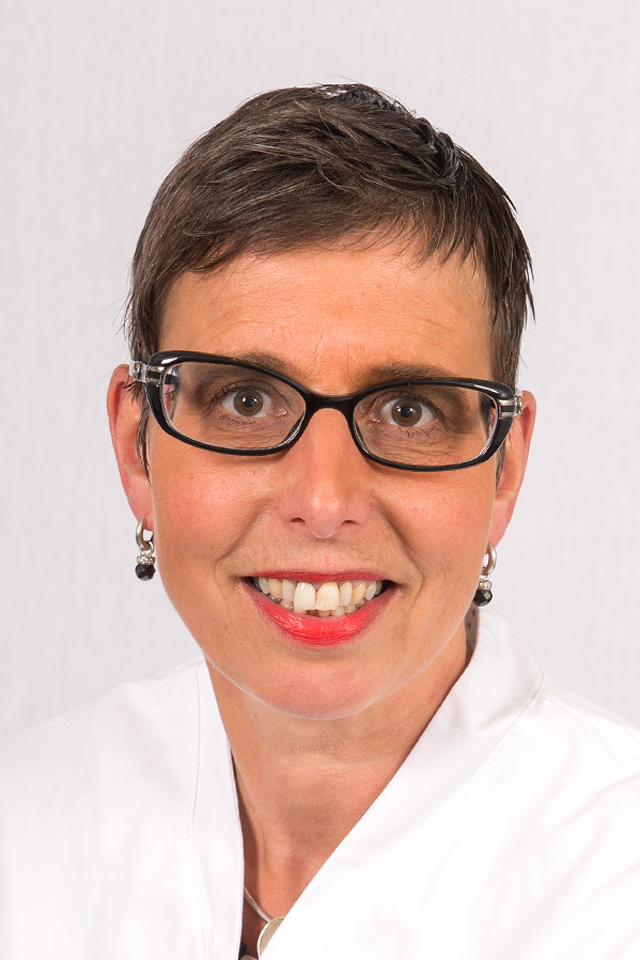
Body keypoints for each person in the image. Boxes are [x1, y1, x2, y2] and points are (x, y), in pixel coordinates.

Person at [1, 84, 639, 960]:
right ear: (136, 448)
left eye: (409, 411)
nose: (325, 500)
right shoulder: (24, 830)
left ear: (506, 467)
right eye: (246, 400)